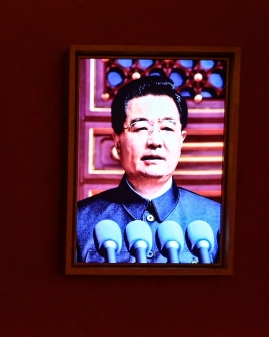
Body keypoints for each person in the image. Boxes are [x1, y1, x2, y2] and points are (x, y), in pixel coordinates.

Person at [75, 75, 221, 264]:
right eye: (141, 128)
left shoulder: (217, 219)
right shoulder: (78, 221)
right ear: (117, 142)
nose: (155, 141)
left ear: (181, 139)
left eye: (167, 128)